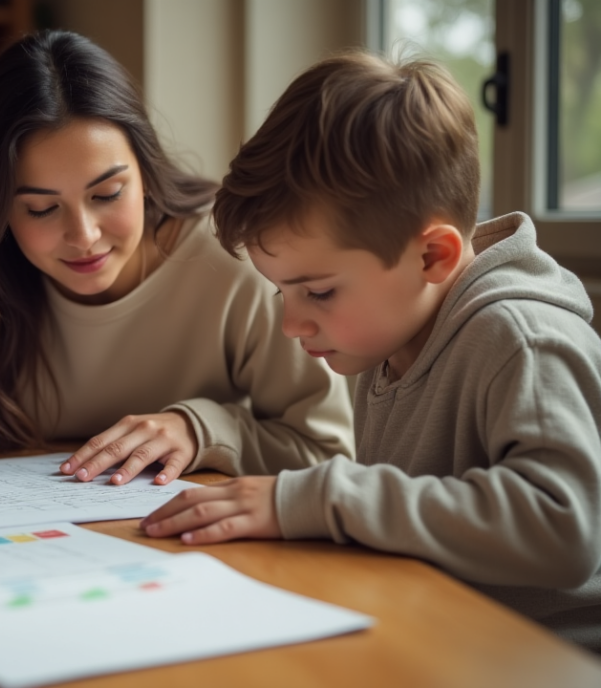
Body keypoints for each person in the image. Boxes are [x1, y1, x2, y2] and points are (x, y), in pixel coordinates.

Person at [140, 50, 601, 650]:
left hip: (542, 657)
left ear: (431, 256)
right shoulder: (394, 334)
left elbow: (563, 530)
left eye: (320, 291)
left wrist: (323, 497)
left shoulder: (520, 339)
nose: (292, 323)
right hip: (436, 631)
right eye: (283, 292)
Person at [0, 30, 353, 488]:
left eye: (108, 194)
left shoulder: (239, 257)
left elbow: (327, 448)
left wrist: (202, 429)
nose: (84, 235)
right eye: (41, 209)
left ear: (146, 172)